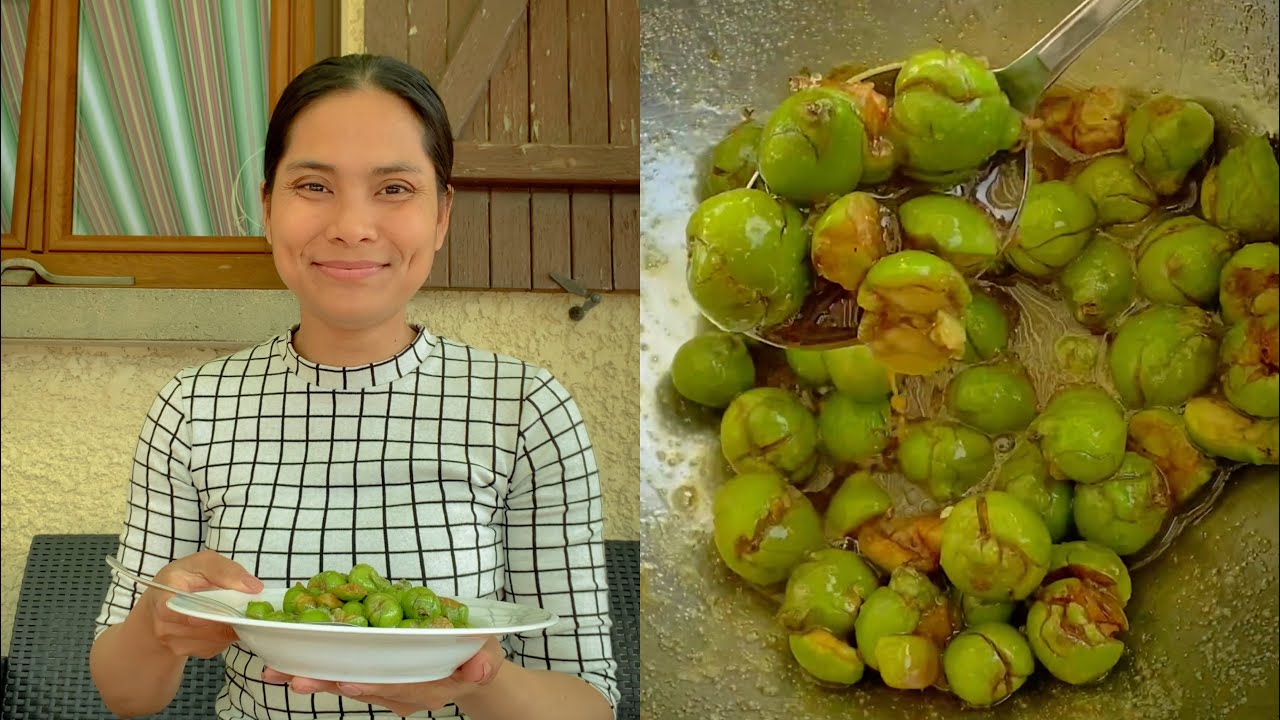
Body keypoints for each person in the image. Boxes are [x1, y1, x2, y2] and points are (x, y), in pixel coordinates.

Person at [89, 54, 617, 720]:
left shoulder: (524, 407)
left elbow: (590, 703)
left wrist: (480, 680)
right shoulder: (192, 407)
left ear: (442, 214)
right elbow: (125, 694)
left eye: (394, 189)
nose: (352, 225)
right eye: (313, 185)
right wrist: (155, 624)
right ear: (267, 206)